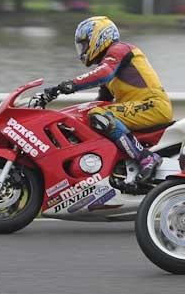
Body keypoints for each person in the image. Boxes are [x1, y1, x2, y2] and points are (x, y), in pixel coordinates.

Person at [40, 16, 173, 181]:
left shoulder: (119, 50)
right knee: (91, 115)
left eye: (85, 43)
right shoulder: (110, 65)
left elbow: (104, 74)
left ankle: (145, 157)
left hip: (152, 105)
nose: (83, 49)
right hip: (144, 106)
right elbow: (102, 99)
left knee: (99, 115)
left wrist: (65, 86)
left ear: (100, 36)